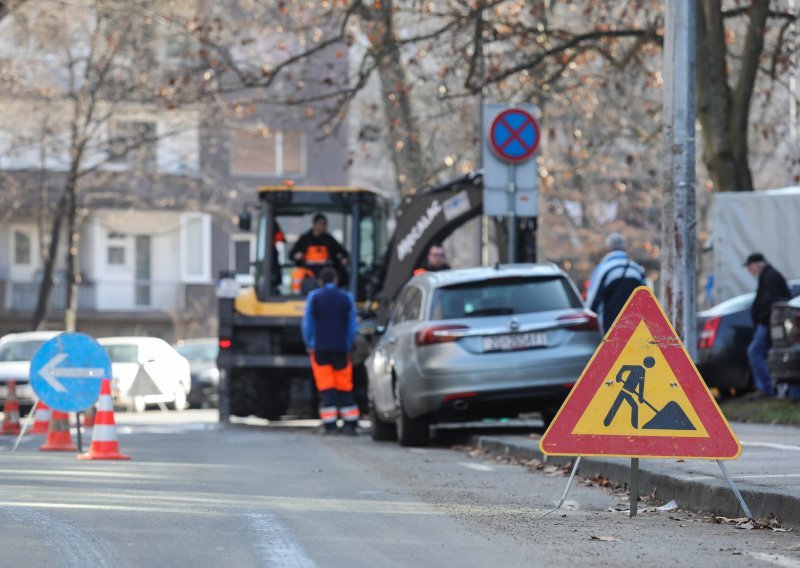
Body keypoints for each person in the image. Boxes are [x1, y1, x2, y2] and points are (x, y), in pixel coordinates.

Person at [301, 267, 360, 435]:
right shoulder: (347, 298)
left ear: (320, 281)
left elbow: (308, 324)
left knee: (326, 387)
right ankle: (350, 424)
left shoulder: (314, 298)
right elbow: (351, 326)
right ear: (335, 280)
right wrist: (348, 344)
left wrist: (310, 344)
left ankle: (331, 426)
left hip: (320, 348)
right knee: (344, 385)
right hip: (341, 348)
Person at [744, 253, 797, 399]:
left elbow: (770, 301)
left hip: (769, 324)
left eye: (750, 267)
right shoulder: (769, 276)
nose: (750, 271)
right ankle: (776, 389)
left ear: (757, 264)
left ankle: (766, 388)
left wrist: (764, 319)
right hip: (770, 324)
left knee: (755, 352)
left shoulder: (770, 276)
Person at [585, 233, 647, 333]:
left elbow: (592, 301)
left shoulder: (602, 269)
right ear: (625, 248)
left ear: (607, 248)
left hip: (609, 327)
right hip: (635, 327)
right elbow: (647, 300)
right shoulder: (636, 269)